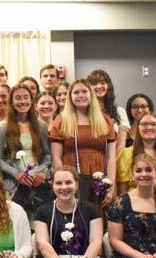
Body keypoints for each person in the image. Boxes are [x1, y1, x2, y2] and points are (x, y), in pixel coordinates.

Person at [48, 79, 116, 208]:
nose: (80, 95)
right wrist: (63, 183)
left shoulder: (105, 120)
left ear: (91, 95)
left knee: (97, 215)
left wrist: (111, 186)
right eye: (76, 92)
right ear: (70, 96)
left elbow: (111, 157)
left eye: (84, 91)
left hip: (99, 176)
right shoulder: (61, 120)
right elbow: (56, 157)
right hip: (72, 176)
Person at [0, 84, 52, 215]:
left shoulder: (41, 125)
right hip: (14, 187)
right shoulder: (2, 128)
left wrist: (42, 172)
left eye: (26, 97)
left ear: (31, 100)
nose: (22, 101)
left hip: (38, 184)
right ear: (12, 102)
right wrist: (16, 174)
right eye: (18, 98)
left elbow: (47, 155)